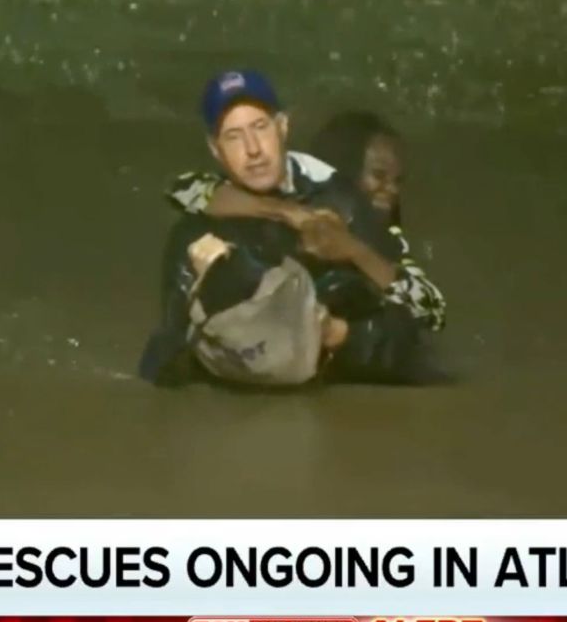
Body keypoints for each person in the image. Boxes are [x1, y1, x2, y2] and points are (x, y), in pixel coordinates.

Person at [139, 70, 437, 387]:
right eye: (234, 136)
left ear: (282, 127)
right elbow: (162, 361)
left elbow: (420, 318)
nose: (253, 149)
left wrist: (336, 330)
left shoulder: (339, 201)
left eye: (260, 127)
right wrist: (207, 298)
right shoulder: (197, 230)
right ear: (216, 149)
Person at [165, 100, 444, 332]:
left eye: (398, 181)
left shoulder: (384, 229)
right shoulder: (302, 188)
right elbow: (183, 189)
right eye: (379, 176)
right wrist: (288, 213)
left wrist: (353, 250)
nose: (391, 191)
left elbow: (432, 312)